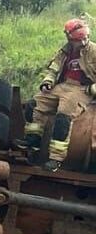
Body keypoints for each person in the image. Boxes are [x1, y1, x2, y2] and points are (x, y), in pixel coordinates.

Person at [25, 19, 96, 170]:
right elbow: (53, 69)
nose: (83, 42)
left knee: (63, 116)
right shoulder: (64, 51)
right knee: (34, 104)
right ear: (70, 39)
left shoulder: (94, 51)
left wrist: (92, 89)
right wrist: (48, 82)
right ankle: (33, 144)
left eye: (85, 38)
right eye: (79, 39)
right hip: (62, 85)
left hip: (81, 89)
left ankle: (55, 159)